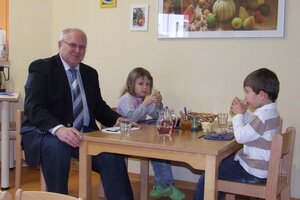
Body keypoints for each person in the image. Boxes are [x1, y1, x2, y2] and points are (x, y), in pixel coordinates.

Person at [21, 28, 134, 199]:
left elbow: (98, 106)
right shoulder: (42, 68)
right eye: (73, 45)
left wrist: (119, 119)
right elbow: (33, 107)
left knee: (112, 154)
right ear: (60, 45)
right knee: (57, 148)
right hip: (48, 132)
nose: (77, 50)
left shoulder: (90, 73)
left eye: (82, 47)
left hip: (84, 133)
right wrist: (59, 129)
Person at [193, 68, 281, 200]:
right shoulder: (271, 113)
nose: (245, 96)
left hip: (253, 171)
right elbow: (252, 130)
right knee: (221, 164)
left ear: (261, 94)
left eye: (247, 92)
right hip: (261, 168)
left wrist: (238, 114)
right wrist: (244, 114)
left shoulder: (262, 115)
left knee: (209, 175)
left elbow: (240, 137)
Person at [117, 67, 185, 200]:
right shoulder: (127, 99)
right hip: (125, 135)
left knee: (162, 141)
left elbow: (156, 115)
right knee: (157, 147)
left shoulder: (143, 99)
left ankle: (160, 185)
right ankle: (166, 185)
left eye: (148, 84)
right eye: (141, 84)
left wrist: (158, 103)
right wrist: (145, 104)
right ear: (131, 84)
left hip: (139, 133)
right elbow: (131, 119)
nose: (145, 87)